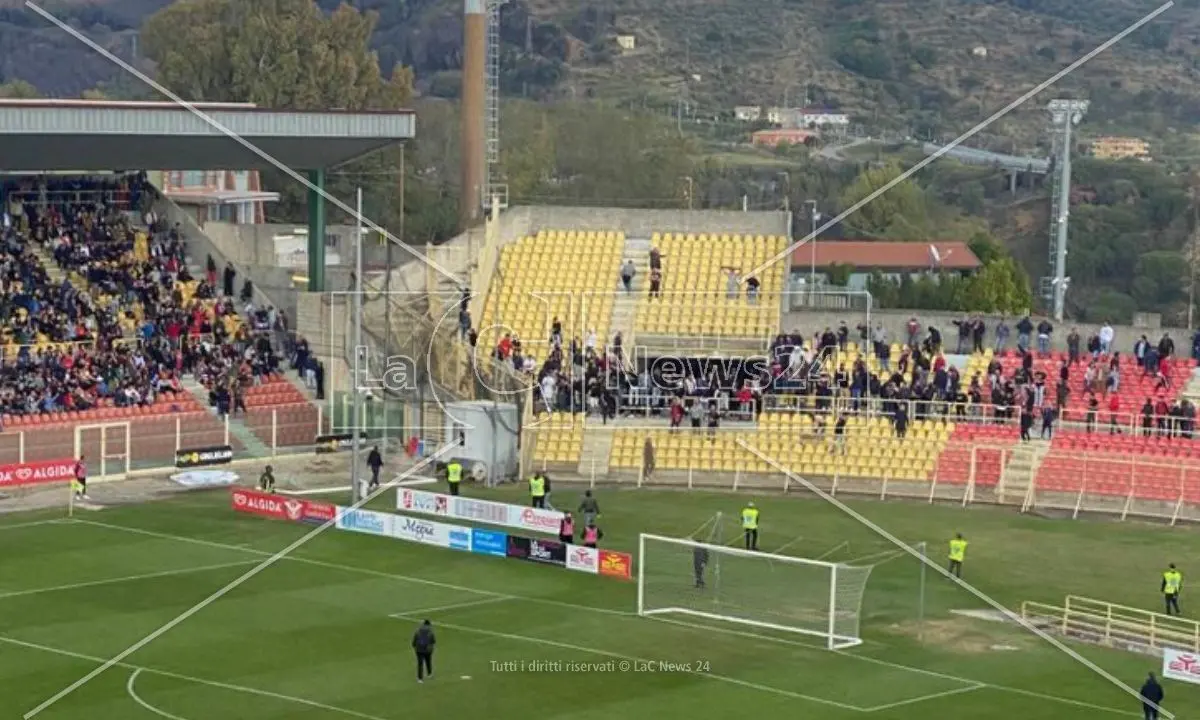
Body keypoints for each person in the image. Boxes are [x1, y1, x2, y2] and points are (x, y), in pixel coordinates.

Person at [412, 619, 436, 683]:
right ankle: (429, 674)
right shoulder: (430, 632)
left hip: (419, 650)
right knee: (428, 661)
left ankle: (420, 678)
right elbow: (433, 641)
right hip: (427, 650)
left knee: (420, 664)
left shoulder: (418, 631)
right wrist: (431, 649)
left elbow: (414, 642)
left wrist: (415, 647)